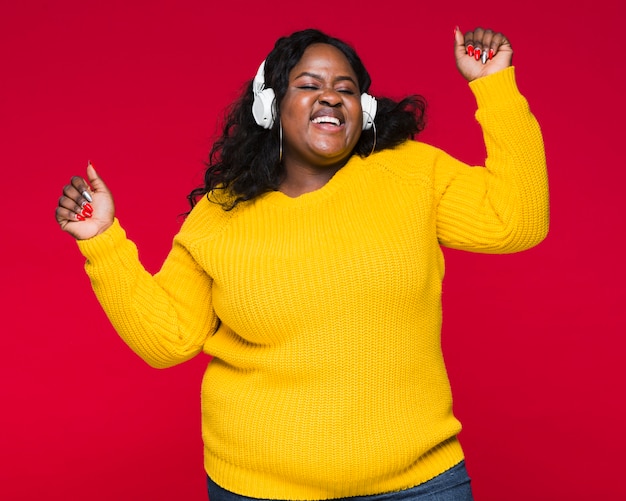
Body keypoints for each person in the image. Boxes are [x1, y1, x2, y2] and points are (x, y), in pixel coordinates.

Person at [55, 26, 549, 501]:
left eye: (346, 89)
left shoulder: (413, 174)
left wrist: (494, 87)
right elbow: (168, 341)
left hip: (421, 483)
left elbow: (518, 221)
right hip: (257, 489)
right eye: (309, 85)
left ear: (365, 109)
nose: (331, 97)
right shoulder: (221, 213)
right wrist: (102, 242)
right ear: (270, 106)